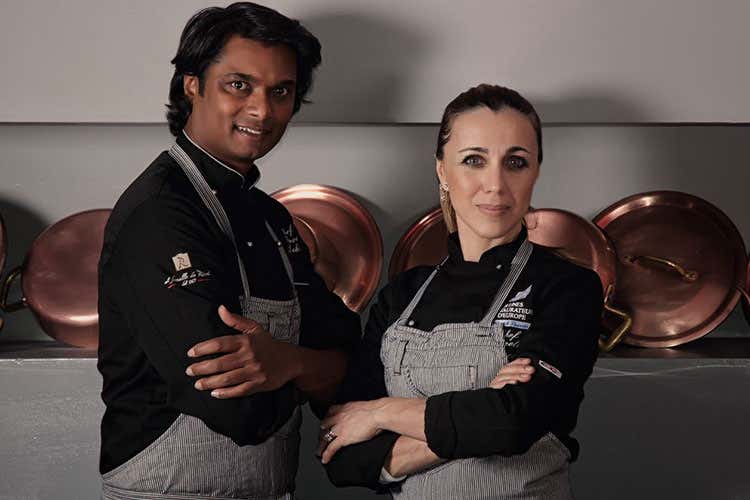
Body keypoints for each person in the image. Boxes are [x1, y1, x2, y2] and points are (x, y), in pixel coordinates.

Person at [97, 3, 360, 499]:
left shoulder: (271, 216)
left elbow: (347, 348)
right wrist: (313, 368)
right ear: (192, 85)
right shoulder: (160, 213)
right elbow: (237, 409)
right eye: (239, 85)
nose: (262, 110)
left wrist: (288, 363)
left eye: (280, 91)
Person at [319, 84, 604, 499]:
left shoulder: (567, 288)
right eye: (474, 160)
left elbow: (511, 424)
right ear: (442, 171)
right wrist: (480, 412)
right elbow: (343, 457)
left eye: (516, 163)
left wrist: (380, 413)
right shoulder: (402, 295)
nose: (496, 184)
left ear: (536, 172)